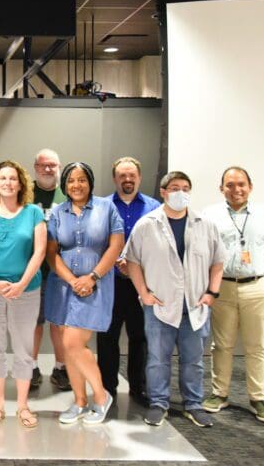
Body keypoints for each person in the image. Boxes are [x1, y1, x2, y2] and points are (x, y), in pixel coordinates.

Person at [126, 171, 225, 427]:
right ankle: (159, 403)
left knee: (193, 361)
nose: (180, 192)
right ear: (163, 192)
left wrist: (212, 292)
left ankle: (193, 404)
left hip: (195, 305)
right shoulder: (147, 224)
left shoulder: (205, 224)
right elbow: (132, 261)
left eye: (185, 188)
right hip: (159, 305)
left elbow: (217, 262)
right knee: (157, 359)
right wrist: (143, 293)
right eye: (174, 188)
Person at [202, 166, 264, 424]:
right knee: (222, 345)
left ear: (250, 186)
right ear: (221, 189)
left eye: (241, 184)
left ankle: (258, 398)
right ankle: (220, 394)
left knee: (256, 346)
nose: (236, 189)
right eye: (230, 185)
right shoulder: (210, 215)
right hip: (223, 287)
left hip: (258, 286)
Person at [45, 162, 124, 425]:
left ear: (89, 182)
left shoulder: (106, 208)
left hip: (96, 285)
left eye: (81, 180)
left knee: (73, 342)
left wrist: (92, 277)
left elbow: (116, 245)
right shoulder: (58, 211)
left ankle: (101, 397)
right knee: (70, 345)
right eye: (71, 181)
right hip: (64, 287)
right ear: (64, 185)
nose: (76, 185)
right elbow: (51, 252)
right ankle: (79, 401)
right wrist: (71, 279)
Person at [0, 160, 47, 429]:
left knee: (23, 350)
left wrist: (20, 284)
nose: (7, 182)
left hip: (27, 291)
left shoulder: (33, 213)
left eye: (12, 178)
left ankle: (22, 405)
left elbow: (39, 252)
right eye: (2, 178)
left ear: (21, 184)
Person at [98, 157, 160, 405]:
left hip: (140, 284)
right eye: (122, 175)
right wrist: (113, 260)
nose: (127, 179)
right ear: (115, 178)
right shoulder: (101, 206)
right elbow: (97, 241)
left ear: (139, 177)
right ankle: (107, 388)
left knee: (140, 337)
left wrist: (137, 266)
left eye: (132, 175)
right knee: (107, 338)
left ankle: (139, 388)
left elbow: (159, 246)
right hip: (110, 283)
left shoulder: (155, 206)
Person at [31, 148, 71, 392]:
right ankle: (32, 367)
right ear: (35, 167)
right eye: (43, 165)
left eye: (52, 165)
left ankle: (60, 367)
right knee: (33, 323)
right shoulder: (26, 194)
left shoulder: (68, 194)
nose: (48, 169)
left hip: (59, 271)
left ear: (59, 167)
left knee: (58, 323)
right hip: (34, 271)